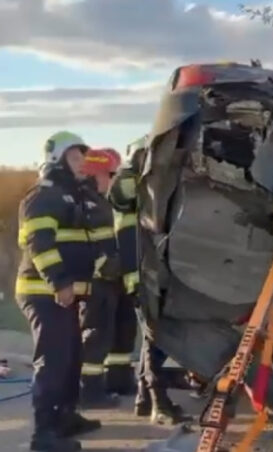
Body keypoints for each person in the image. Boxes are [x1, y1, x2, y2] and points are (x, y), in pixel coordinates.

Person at [16, 131, 100, 451]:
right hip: (44, 292)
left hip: (62, 295)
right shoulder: (43, 196)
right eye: (75, 157)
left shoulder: (69, 195)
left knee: (70, 358)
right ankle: (43, 434)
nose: (82, 163)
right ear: (56, 159)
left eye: (82, 157)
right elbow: (39, 243)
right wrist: (60, 283)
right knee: (52, 361)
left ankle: (65, 417)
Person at [108, 144, 188, 425]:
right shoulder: (127, 186)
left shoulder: (144, 190)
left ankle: (145, 397)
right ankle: (159, 403)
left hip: (149, 272)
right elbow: (121, 196)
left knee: (152, 338)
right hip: (141, 275)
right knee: (156, 338)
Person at [77, 148, 134, 408]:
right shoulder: (84, 203)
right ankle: (88, 391)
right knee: (95, 336)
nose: (113, 180)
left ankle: (118, 380)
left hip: (112, 278)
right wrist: (106, 264)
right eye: (110, 175)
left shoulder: (105, 202)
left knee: (120, 331)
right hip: (96, 280)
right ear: (95, 174)